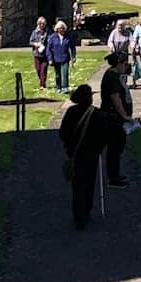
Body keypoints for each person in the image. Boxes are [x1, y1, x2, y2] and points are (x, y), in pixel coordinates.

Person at [59, 83, 109, 229]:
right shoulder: (98, 114)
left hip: (75, 153)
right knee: (89, 184)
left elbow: (63, 132)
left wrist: (69, 146)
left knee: (77, 186)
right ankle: (86, 210)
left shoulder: (71, 112)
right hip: (91, 154)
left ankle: (78, 215)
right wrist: (99, 149)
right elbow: (104, 136)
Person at [100, 53, 133, 188]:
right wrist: (125, 116)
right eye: (125, 64)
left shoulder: (116, 76)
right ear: (119, 64)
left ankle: (115, 174)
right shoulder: (112, 77)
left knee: (118, 147)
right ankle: (113, 178)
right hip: (113, 118)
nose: (126, 66)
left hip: (115, 118)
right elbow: (116, 98)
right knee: (115, 147)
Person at [29, 17, 49, 90]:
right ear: (38, 24)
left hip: (45, 54)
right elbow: (30, 41)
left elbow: (50, 41)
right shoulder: (35, 32)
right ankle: (41, 81)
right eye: (40, 24)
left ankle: (42, 85)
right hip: (37, 54)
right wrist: (36, 44)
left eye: (43, 24)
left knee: (43, 70)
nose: (42, 25)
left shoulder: (47, 32)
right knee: (38, 69)